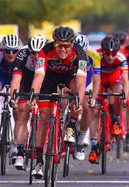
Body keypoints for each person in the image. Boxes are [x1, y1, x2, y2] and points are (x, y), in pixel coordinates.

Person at [30, 26, 87, 179]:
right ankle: (39, 161)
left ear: (72, 44)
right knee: (43, 118)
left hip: (70, 77)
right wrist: (33, 96)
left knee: (77, 94)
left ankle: (70, 125)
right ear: (54, 43)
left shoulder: (80, 54)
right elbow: (38, 77)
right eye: (59, 45)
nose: (62, 49)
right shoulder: (45, 51)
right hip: (49, 78)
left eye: (66, 45)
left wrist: (78, 103)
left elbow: (81, 82)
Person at [87, 35, 129, 164]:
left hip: (113, 79)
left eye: (113, 53)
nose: (110, 57)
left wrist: (125, 97)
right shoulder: (96, 55)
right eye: (107, 53)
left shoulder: (121, 58)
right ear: (102, 50)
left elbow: (125, 80)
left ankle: (115, 119)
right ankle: (94, 147)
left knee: (118, 92)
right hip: (98, 80)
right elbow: (89, 76)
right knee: (94, 112)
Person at [10, 34, 46, 170]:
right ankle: (19, 152)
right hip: (27, 78)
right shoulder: (22, 54)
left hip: (46, 78)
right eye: (33, 52)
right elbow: (16, 79)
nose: (35, 56)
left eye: (38, 53)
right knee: (22, 114)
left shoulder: (49, 53)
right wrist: (14, 96)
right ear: (28, 50)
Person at [74, 33, 101, 160]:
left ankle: (81, 139)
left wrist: (93, 97)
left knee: (86, 107)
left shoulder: (94, 54)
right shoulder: (68, 51)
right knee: (64, 102)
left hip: (87, 80)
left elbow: (96, 78)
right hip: (72, 77)